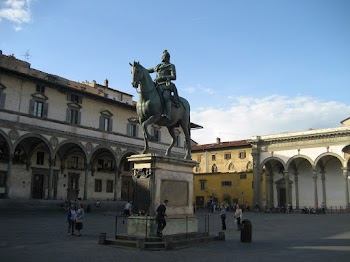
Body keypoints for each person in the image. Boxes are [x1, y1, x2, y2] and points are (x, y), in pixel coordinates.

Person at [147, 50, 179, 120]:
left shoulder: (171, 66)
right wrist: (140, 69)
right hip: (157, 85)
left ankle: (167, 114)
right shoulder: (158, 66)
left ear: (167, 57)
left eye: (164, 56)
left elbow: (174, 77)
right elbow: (149, 70)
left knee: (165, 97)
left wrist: (162, 77)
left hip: (166, 85)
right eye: (162, 56)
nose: (163, 58)